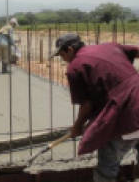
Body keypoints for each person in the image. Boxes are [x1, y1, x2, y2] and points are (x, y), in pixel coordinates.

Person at [52, 33, 139, 182]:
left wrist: (77, 127)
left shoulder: (75, 67)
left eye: (61, 55)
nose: (63, 60)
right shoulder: (110, 46)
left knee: (107, 167)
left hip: (124, 114)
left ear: (70, 50)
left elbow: (87, 105)